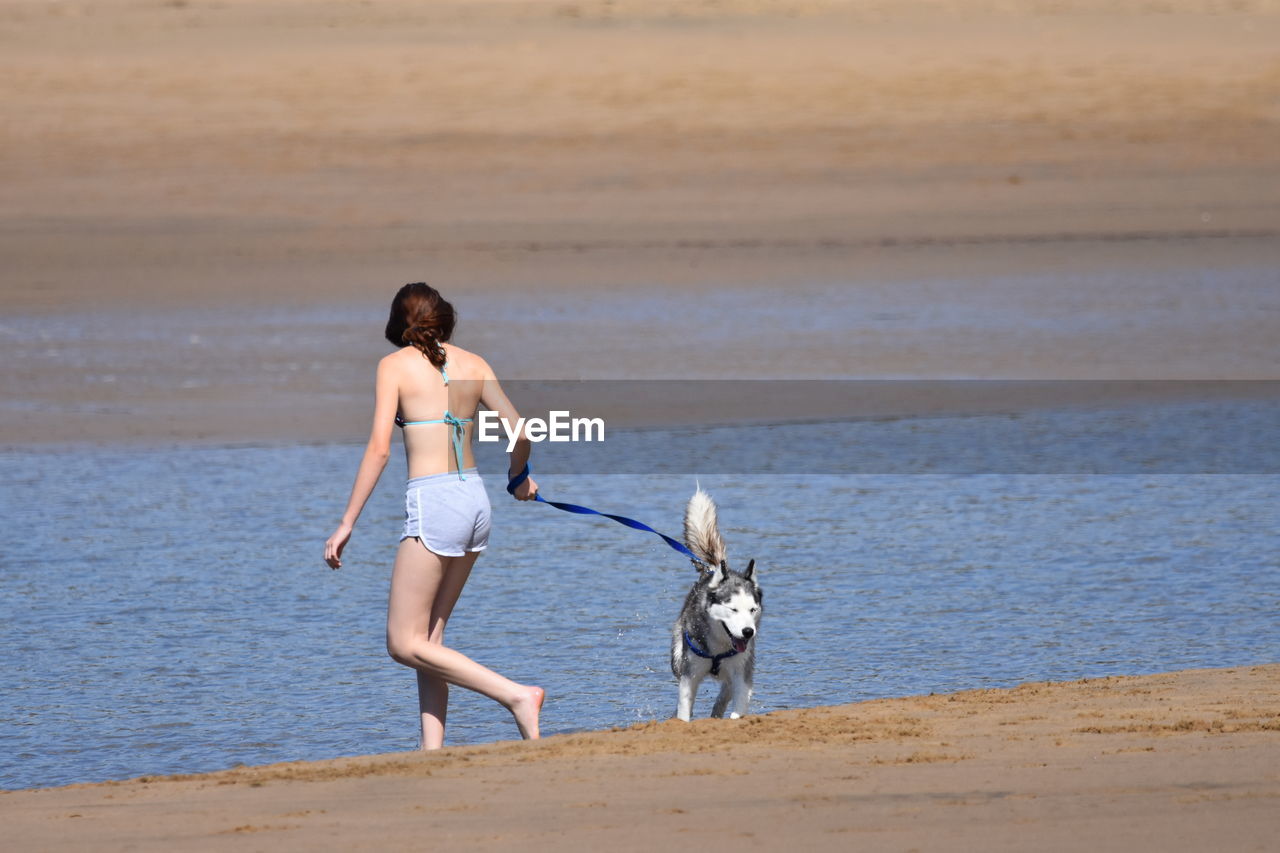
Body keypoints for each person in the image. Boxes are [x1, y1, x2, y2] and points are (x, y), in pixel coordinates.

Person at [324, 282, 544, 748]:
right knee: (429, 643)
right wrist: (518, 476)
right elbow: (520, 432)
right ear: (444, 318)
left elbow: (380, 450)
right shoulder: (475, 363)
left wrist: (347, 523)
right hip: (476, 502)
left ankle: (516, 695)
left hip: (435, 502)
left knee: (403, 644)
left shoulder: (393, 366)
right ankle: (431, 753)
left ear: (398, 324)